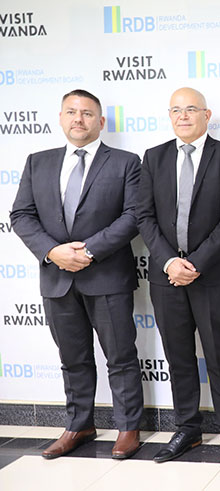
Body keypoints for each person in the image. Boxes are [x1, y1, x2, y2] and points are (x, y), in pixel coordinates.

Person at [10, 89, 144, 460]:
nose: (79, 119)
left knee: (120, 356)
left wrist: (87, 251)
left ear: (100, 122)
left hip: (107, 276)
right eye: (72, 112)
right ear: (61, 118)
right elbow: (21, 215)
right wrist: (53, 252)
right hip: (57, 277)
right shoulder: (38, 162)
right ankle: (79, 424)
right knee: (73, 358)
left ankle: (128, 427)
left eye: (87, 113)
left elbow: (133, 216)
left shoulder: (126, 162)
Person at [136, 87, 220, 463]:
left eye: (190, 109)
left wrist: (195, 263)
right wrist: (170, 261)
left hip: (212, 273)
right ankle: (187, 428)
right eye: (175, 110)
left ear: (207, 114)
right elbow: (144, 216)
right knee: (178, 353)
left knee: (219, 352)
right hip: (165, 274)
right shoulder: (153, 157)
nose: (182, 116)